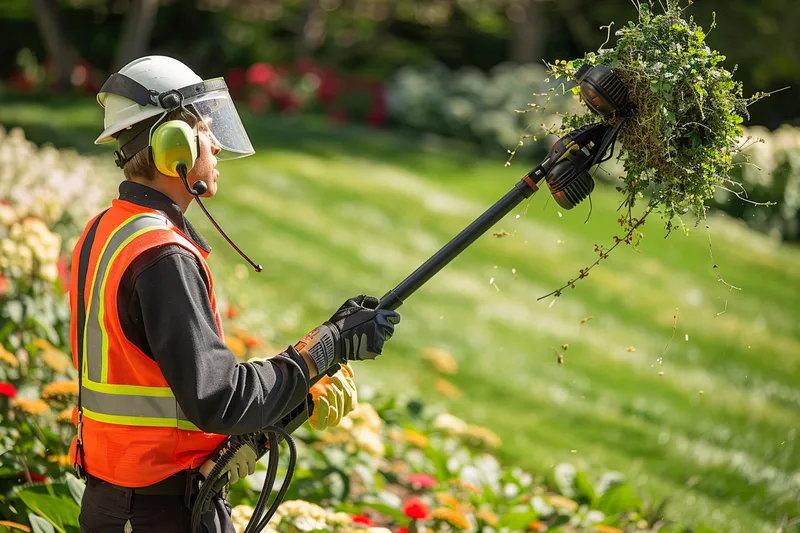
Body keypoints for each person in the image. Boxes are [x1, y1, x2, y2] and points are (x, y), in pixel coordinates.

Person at [68, 55, 401, 533]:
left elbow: (159, 380)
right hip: (157, 515)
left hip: (118, 505)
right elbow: (219, 400)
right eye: (207, 131)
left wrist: (301, 383)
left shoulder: (105, 231)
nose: (218, 145)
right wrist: (323, 348)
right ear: (173, 149)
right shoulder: (162, 255)